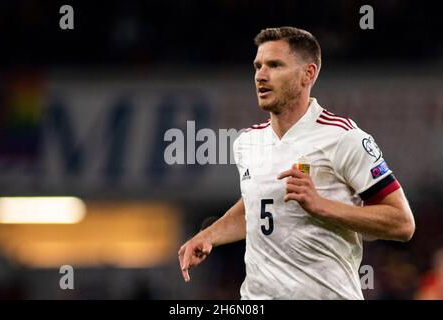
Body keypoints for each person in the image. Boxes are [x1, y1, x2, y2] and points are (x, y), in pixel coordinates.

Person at [178, 26, 415, 299]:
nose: (261, 76)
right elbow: (256, 206)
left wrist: (322, 205)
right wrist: (209, 235)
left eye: (275, 65)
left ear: (308, 74)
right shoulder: (246, 142)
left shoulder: (342, 137)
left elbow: (402, 223)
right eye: (258, 66)